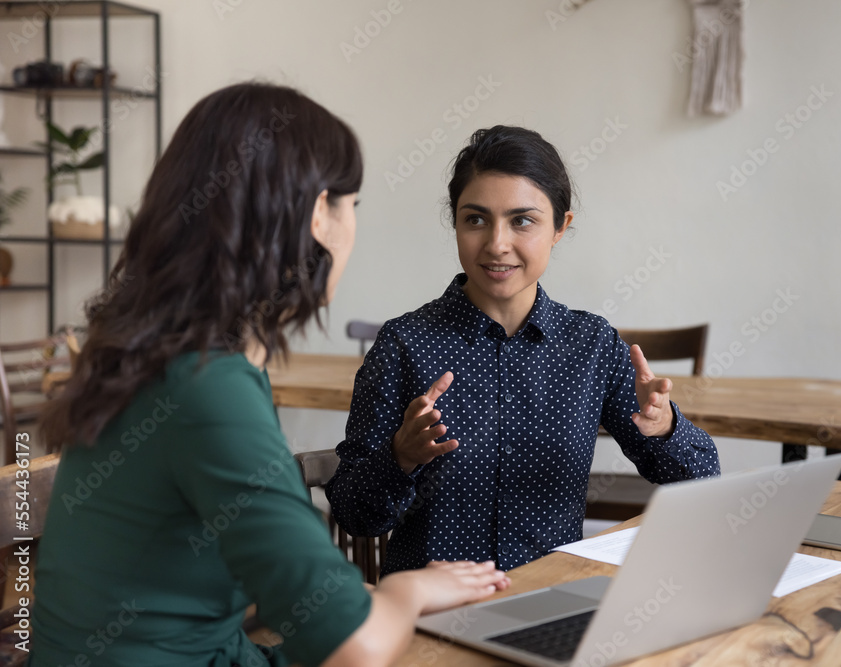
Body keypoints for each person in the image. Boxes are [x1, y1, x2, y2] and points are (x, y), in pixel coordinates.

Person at [30, 83, 509, 667]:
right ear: (316, 217)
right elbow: (355, 650)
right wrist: (408, 590)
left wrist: (365, 599)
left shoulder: (153, 356)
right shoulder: (210, 387)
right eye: (351, 206)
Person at [326, 125, 721, 576]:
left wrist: (665, 427)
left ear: (559, 227)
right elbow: (354, 516)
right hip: (429, 614)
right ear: (454, 222)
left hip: (548, 605)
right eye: (475, 219)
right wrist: (400, 457)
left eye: (522, 220)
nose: (497, 244)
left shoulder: (592, 345)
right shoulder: (404, 344)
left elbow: (700, 482)